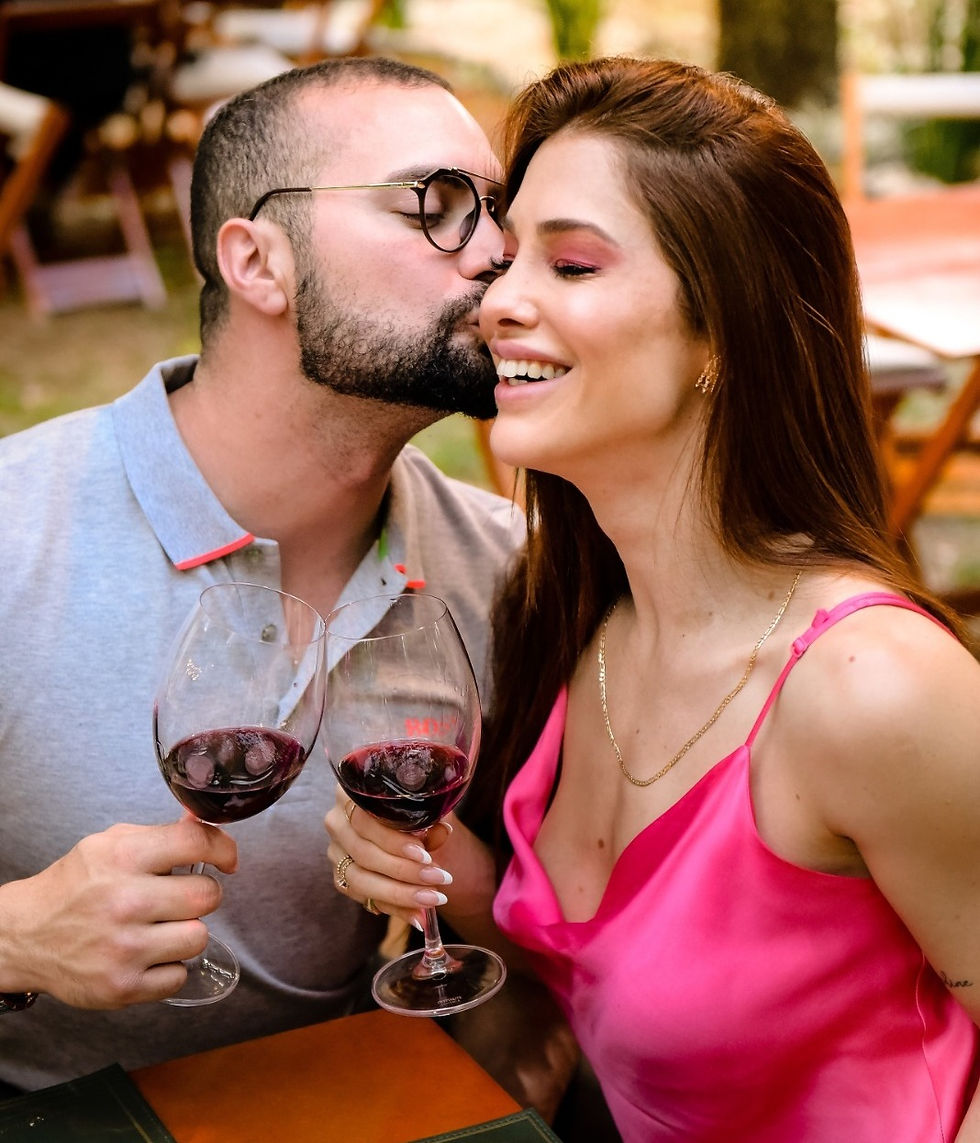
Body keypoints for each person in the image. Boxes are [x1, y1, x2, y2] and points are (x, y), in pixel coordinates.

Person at [325, 56, 980, 1142]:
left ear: (722, 332)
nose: (500, 301)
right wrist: (467, 888)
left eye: (573, 264)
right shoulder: (566, 614)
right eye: (509, 257)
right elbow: (602, 997)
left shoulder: (871, 689)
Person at [0, 56, 524, 1092]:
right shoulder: (17, 531)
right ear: (256, 262)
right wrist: (14, 938)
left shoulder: (501, 566)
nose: (500, 254)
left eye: (499, 211)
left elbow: (543, 961)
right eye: (436, 205)